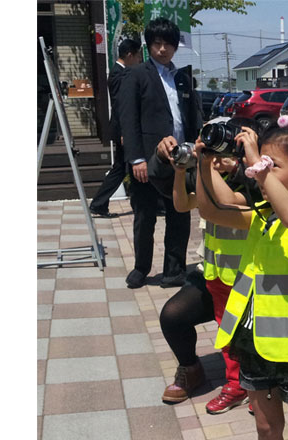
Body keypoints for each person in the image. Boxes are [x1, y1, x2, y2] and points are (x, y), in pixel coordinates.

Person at [205, 117, 288, 440]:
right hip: (254, 340)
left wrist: (255, 162)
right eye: (261, 163)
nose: (260, 169)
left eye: (272, 164)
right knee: (266, 427)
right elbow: (211, 210)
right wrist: (204, 161)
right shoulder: (265, 213)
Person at [157, 117, 262, 415]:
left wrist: (205, 162)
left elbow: (225, 203)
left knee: (248, 332)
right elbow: (182, 204)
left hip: (246, 275)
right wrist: (181, 172)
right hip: (216, 273)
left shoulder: (250, 183)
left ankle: (254, 385)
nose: (214, 155)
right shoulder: (210, 177)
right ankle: (236, 383)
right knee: (227, 331)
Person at [119, 17, 203, 289]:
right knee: (144, 217)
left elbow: (191, 116)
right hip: (149, 159)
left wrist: (196, 149)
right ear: (149, 45)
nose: (163, 50)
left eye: (168, 44)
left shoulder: (182, 77)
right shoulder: (136, 75)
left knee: (179, 214)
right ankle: (141, 268)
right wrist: (137, 159)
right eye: (157, 44)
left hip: (181, 158)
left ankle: (174, 270)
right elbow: (128, 120)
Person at [89, 38, 142, 218]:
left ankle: (141, 204)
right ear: (129, 55)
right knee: (122, 168)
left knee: (127, 167)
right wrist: (123, 132)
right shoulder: (119, 75)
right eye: (137, 56)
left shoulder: (119, 72)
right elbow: (121, 105)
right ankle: (98, 203)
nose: (138, 61)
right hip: (122, 131)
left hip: (122, 130)